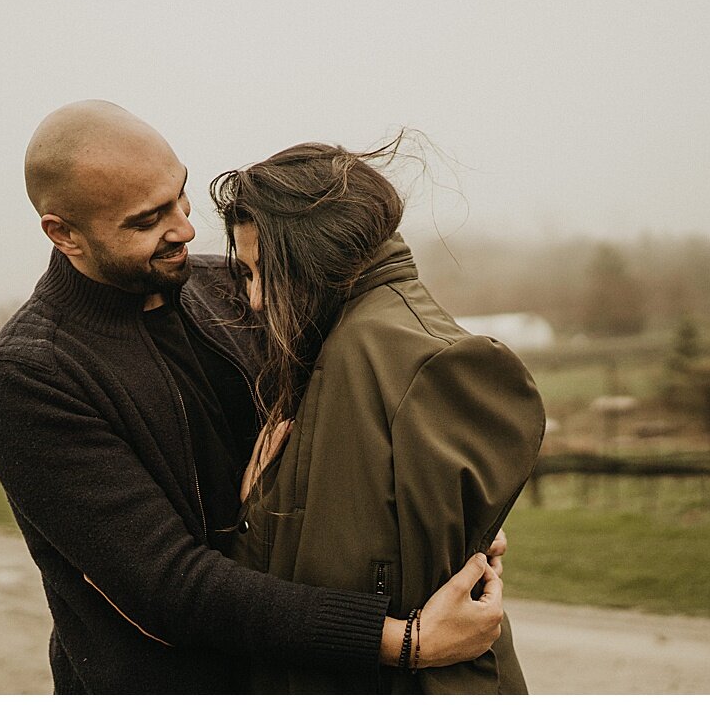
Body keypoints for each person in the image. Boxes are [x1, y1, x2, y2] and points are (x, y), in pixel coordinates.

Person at [0, 101, 506, 694]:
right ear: (63, 233)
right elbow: (169, 586)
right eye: (147, 221)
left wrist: (443, 523)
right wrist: (404, 643)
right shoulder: (29, 376)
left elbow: (352, 441)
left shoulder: (229, 286)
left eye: (179, 196)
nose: (184, 228)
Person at [213, 140, 547, 693]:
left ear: (309, 258)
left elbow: (408, 589)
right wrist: (256, 504)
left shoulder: (424, 362)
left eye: (259, 271)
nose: (251, 299)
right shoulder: (338, 346)